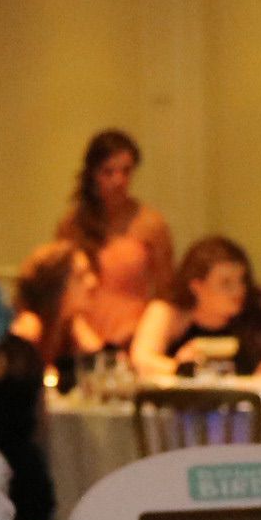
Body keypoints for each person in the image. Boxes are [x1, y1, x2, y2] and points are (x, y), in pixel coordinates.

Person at [42, 129, 174, 362]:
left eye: (126, 171)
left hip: (133, 339)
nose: (118, 180)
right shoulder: (73, 225)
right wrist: (83, 336)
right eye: (108, 172)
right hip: (82, 340)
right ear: (92, 174)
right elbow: (60, 287)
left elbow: (165, 291)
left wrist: (145, 336)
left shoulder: (151, 224)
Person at [130, 235, 261, 379]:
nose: (238, 291)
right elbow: (142, 357)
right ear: (197, 287)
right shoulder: (170, 312)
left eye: (241, 281)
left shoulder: (254, 313)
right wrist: (182, 368)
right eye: (226, 283)